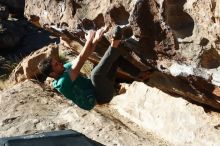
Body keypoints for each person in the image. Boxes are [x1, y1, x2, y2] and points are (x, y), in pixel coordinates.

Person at [38, 26, 147, 110]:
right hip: (101, 97)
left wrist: (95, 40)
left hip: (99, 87)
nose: (60, 64)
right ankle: (115, 42)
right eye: (56, 65)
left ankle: (141, 75)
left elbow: (85, 55)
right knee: (95, 75)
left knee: (113, 59)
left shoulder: (64, 68)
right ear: (52, 74)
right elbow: (81, 59)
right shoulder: (63, 83)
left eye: (57, 62)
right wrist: (89, 39)